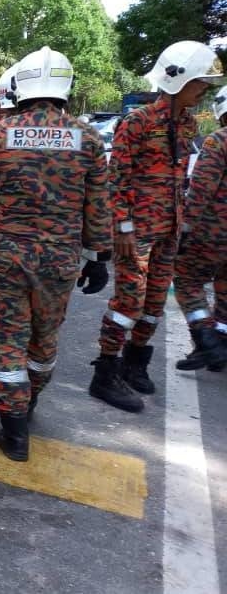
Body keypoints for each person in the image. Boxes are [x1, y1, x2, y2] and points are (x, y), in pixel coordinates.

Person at [0, 47, 111, 461]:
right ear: (66, 86)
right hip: (60, 261)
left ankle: (14, 430)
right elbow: (98, 205)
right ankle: (29, 402)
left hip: (5, 257)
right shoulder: (89, 139)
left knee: (7, 341)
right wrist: (98, 257)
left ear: (20, 87)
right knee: (43, 340)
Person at [89, 41, 224, 412]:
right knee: (128, 300)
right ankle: (105, 373)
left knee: (153, 303)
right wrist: (125, 227)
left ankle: (135, 363)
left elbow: (181, 179)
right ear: (178, 80)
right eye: (200, 83)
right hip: (138, 233)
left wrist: (183, 226)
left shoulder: (187, 124)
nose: (204, 91)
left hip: (168, 230)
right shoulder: (137, 122)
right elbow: (115, 179)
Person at [173, 84, 227, 372]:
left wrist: (186, 227)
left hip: (213, 233)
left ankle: (207, 340)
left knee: (187, 282)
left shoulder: (218, 141)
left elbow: (201, 190)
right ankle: (219, 343)